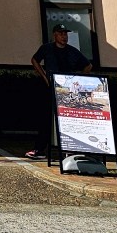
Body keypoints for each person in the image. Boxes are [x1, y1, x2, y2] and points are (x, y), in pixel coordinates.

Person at [27, 24, 92, 158]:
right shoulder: (47, 48)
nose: (64, 36)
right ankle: (39, 149)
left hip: (68, 92)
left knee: (68, 119)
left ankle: (71, 149)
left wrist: (78, 79)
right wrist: (45, 77)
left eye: (65, 34)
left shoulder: (72, 51)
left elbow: (88, 65)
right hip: (50, 88)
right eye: (61, 34)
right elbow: (34, 60)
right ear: (54, 35)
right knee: (46, 118)